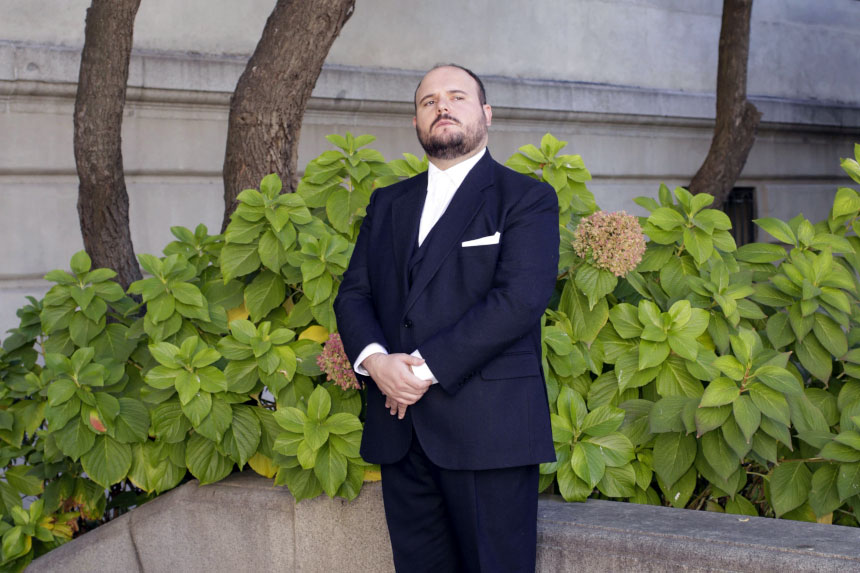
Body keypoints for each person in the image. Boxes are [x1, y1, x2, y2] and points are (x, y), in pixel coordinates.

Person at [333, 63, 559, 572]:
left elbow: (519, 300)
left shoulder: (525, 198)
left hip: (488, 432)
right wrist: (373, 361)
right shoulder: (388, 203)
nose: (442, 107)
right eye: (428, 101)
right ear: (416, 123)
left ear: (486, 114)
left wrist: (418, 371)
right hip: (402, 431)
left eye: (456, 96)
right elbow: (354, 294)